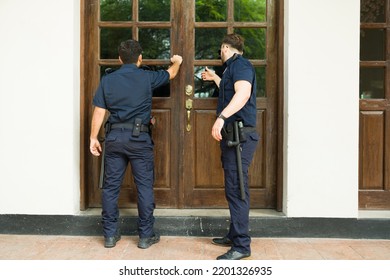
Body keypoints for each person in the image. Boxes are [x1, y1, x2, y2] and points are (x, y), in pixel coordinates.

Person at [89, 39, 183, 249]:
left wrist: (93, 137)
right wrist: (177, 61)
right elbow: (172, 73)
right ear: (140, 58)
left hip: (114, 138)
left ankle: (110, 236)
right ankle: (145, 236)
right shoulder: (147, 77)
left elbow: (99, 111)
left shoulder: (108, 80)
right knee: (144, 187)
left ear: (119, 59)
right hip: (139, 139)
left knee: (111, 188)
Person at [201, 34, 259, 260]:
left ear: (225, 47)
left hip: (240, 137)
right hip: (233, 137)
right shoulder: (231, 69)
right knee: (233, 187)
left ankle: (242, 245)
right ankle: (235, 234)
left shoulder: (241, 65)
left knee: (237, 189)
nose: (220, 53)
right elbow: (232, 91)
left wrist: (222, 117)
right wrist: (216, 77)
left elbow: (243, 93)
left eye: (220, 49)